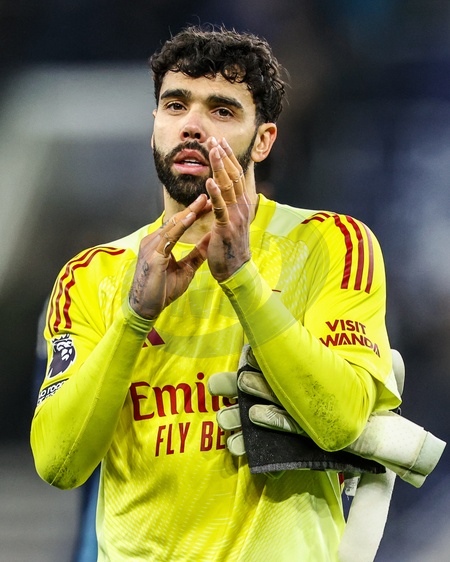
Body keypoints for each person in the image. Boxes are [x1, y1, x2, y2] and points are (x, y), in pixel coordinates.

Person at [30, 25, 401, 561]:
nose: (192, 125)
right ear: (154, 126)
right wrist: (134, 318)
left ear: (264, 140)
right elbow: (58, 465)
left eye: (222, 111)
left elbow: (341, 422)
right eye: (175, 105)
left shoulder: (331, 244)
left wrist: (242, 280)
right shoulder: (92, 275)